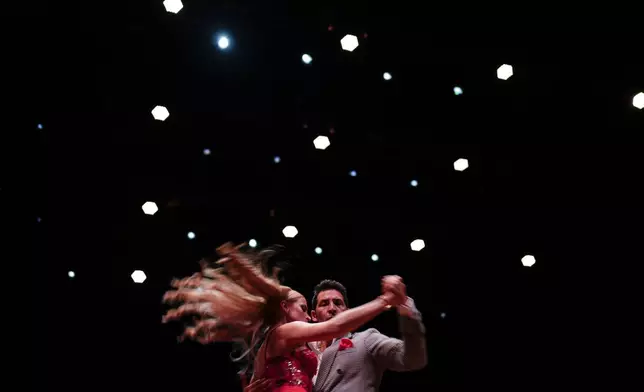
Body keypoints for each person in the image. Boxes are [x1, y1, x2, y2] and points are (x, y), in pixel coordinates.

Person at [161, 242, 408, 392]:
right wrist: (384, 301)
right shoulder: (283, 333)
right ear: (285, 308)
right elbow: (334, 327)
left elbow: (259, 382)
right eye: (303, 308)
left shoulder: (284, 345)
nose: (308, 318)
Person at [246, 279, 427, 392]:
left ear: (347, 310)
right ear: (314, 316)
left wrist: (406, 309)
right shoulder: (295, 350)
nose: (332, 308)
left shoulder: (366, 339)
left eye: (338, 303)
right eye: (324, 303)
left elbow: (413, 359)